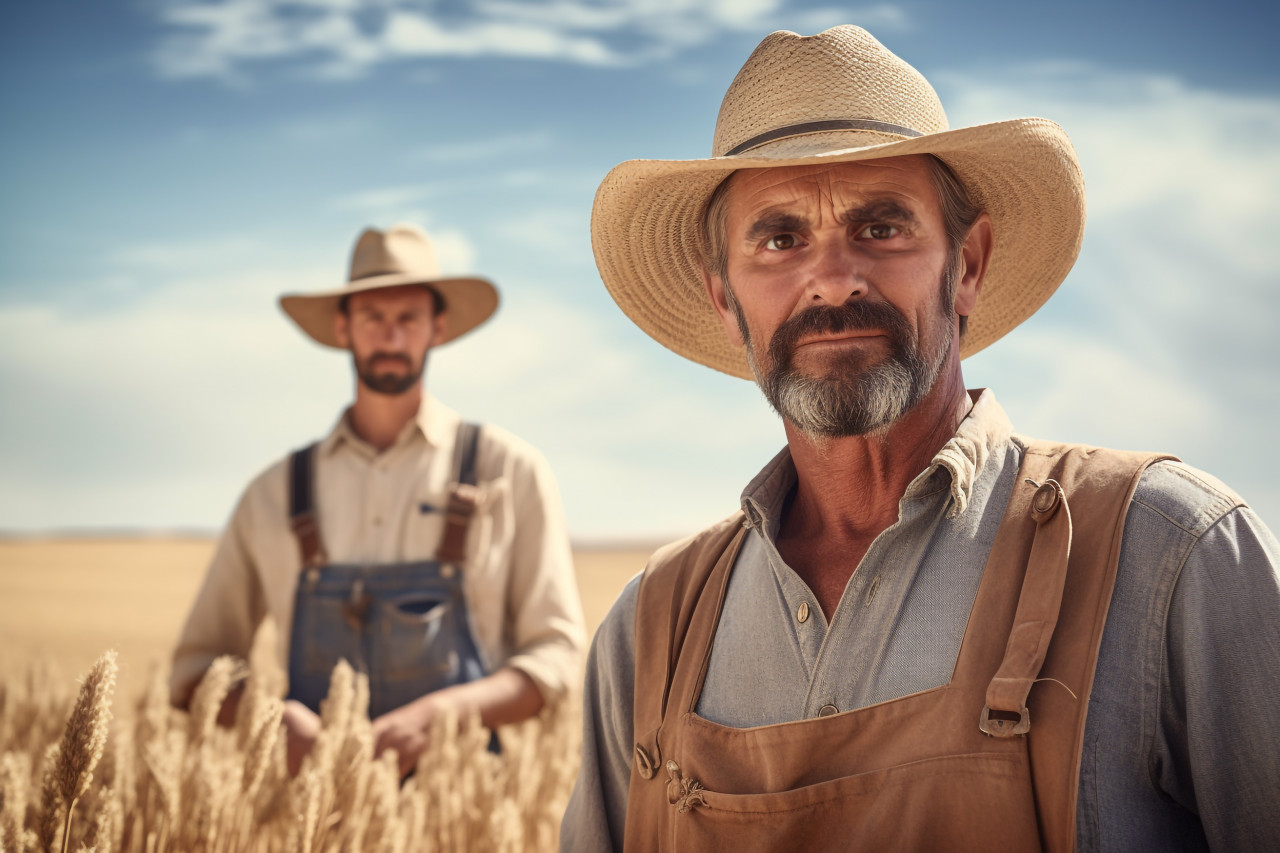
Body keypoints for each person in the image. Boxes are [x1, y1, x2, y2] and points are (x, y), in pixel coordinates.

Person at [562, 25, 1280, 852]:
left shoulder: (1171, 553)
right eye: (780, 238)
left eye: (881, 227)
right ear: (726, 299)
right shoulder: (649, 631)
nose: (832, 277)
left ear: (966, 264)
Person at [172, 223, 586, 776]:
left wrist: (444, 715)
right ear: (343, 328)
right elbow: (196, 671)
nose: (391, 338)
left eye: (408, 318)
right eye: (373, 317)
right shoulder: (271, 494)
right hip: (315, 817)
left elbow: (556, 660)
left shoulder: (510, 473)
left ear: (437, 327)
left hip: (462, 815)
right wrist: (267, 718)